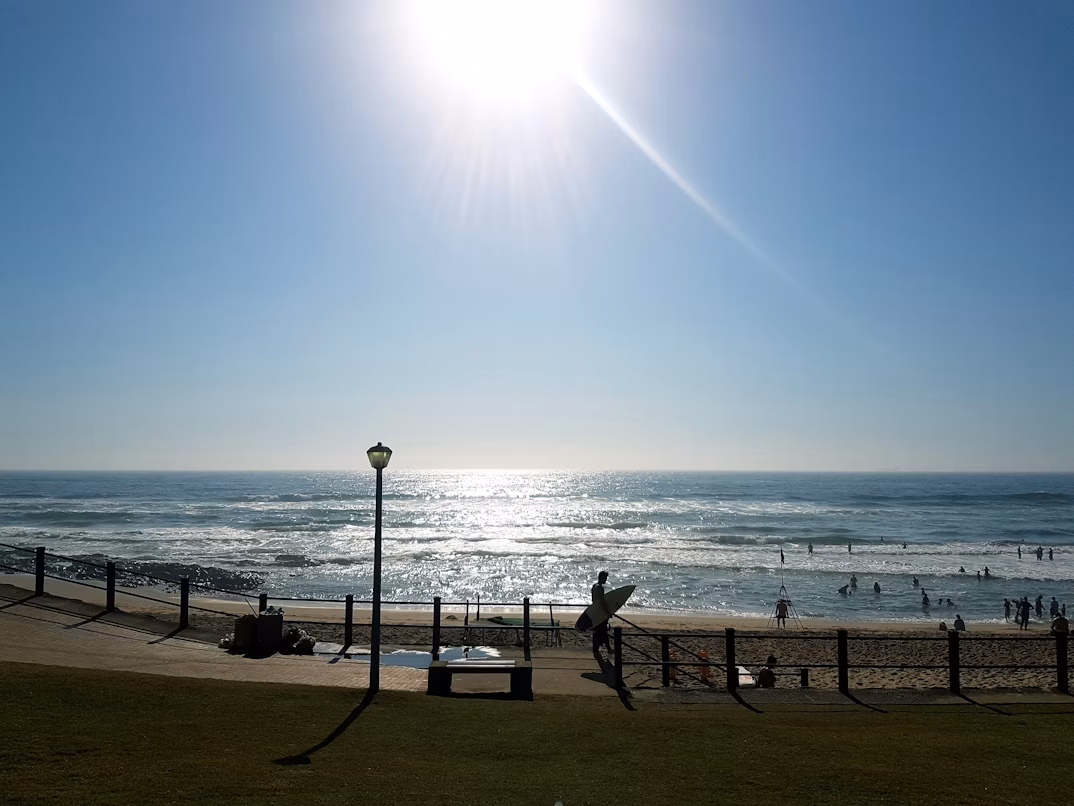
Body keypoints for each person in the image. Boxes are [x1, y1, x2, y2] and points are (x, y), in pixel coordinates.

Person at [590, 571, 612, 655]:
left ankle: (596, 649)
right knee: (603, 631)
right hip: (601, 612)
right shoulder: (600, 588)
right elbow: (602, 602)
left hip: (595, 611)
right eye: (605, 578)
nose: (606, 580)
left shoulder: (594, 586)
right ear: (602, 578)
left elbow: (593, 600)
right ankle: (608, 649)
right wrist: (608, 612)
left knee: (597, 631)